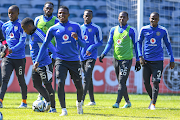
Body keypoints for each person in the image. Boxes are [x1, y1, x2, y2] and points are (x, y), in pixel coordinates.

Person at [33, 6, 86, 116]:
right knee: (60, 83)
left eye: (64, 13)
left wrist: (77, 38)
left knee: (79, 86)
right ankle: (64, 110)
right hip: (60, 60)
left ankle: (79, 103)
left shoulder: (76, 26)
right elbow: (45, 44)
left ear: (68, 15)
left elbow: (84, 44)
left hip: (74, 60)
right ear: (57, 15)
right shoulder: (53, 29)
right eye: (60, 13)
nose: (62, 15)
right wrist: (37, 60)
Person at [99, 11, 141, 108]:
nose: (122, 19)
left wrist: (138, 59)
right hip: (116, 59)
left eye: (124, 17)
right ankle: (128, 102)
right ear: (118, 18)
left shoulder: (131, 30)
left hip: (127, 60)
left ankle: (117, 102)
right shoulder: (114, 30)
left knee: (122, 81)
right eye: (120, 17)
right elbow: (110, 43)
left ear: (127, 19)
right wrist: (103, 53)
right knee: (121, 82)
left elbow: (136, 45)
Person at [137, 12, 175, 110]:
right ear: (149, 18)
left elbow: (168, 44)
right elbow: (139, 43)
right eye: (152, 18)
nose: (154, 20)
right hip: (146, 61)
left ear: (158, 20)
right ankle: (152, 99)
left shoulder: (163, 30)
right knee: (146, 82)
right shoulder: (144, 29)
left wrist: (172, 58)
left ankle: (153, 104)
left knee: (156, 82)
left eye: (156, 19)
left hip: (158, 61)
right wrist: (140, 56)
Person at [21, 17, 57, 112]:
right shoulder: (31, 34)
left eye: (25, 29)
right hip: (36, 65)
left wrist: (56, 55)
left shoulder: (38, 33)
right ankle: (48, 101)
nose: (24, 31)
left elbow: (48, 43)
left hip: (44, 64)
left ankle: (53, 107)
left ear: (30, 26)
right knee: (36, 85)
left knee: (48, 85)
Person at [0, 5, 27, 108]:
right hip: (7, 58)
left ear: (18, 13)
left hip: (19, 58)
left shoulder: (22, 25)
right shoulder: (5, 26)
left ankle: (24, 102)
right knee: (4, 79)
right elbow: (4, 40)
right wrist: (4, 48)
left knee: (21, 79)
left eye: (13, 13)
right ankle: (0, 101)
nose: (11, 15)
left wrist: (12, 50)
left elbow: (22, 42)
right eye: (9, 13)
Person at [34, 1, 60, 101]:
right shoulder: (37, 20)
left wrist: (55, 52)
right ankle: (42, 93)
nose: (48, 10)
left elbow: (58, 38)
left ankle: (46, 95)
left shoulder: (56, 21)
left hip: (50, 52)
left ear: (53, 10)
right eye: (47, 8)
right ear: (43, 9)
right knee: (38, 73)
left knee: (48, 73)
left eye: (50, 9)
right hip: (39, 52)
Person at [80, 9, 103, 106]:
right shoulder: (79, 28)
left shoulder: (96, 28)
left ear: (92, 17)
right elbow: (77, 43)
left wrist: (91, 47)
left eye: (89, 15)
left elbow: (100, 42)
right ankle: (92, 101)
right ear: (83, 16)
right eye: (86, 15)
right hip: (81, 57)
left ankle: (81, 100)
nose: (87, 17)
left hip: (91, 56)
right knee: (88, 78)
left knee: (86, 77)